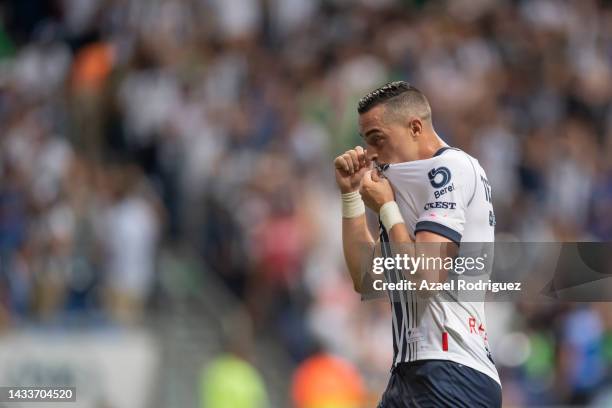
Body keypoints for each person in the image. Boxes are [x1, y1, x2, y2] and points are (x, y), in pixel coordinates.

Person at [334, 81, 501, 407]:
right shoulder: (407, 186)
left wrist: (386, 207)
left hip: (450, 371)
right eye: (366, 142)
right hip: (414, 371)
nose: (370, 154)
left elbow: (427, 277)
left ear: (414, 128)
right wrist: (351, 195)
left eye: (377, 139)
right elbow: (366, 279)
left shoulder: (449, 168)